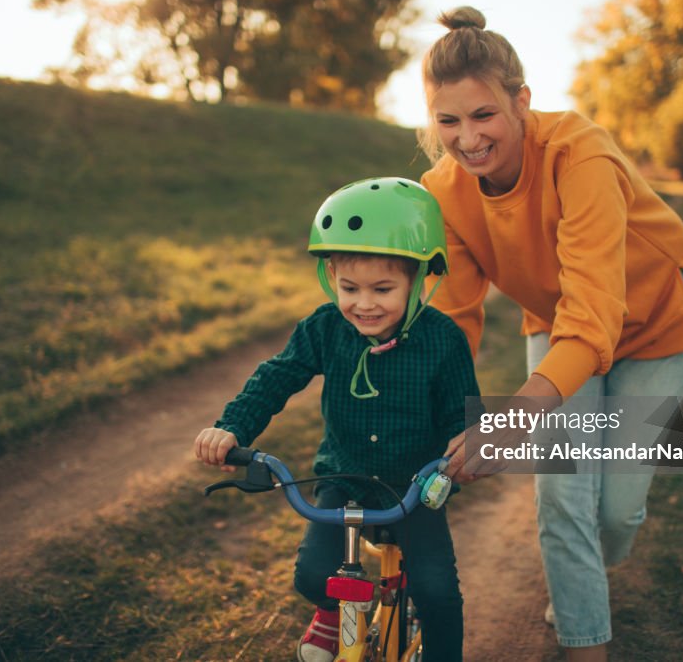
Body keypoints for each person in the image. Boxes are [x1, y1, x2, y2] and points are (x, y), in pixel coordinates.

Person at [417, 6, 683, 661]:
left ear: (521, 101)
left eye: (483, 115)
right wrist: (427, 403)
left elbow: (596, 315)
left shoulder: (578, 151)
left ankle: (586, 580)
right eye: (448, 122)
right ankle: (584, 635)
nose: (467, 139)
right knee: (563, 490)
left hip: (659, 314)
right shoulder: (443, 192)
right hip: (560, 321)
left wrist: (508, 423)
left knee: (616, 512)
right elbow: (456, 321)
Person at [194, 177, 480, 662]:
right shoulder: (326, 328)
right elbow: (277, 376)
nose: (363, 304)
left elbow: (461, 412)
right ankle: (332, 612)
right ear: (331, 278)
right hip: (342, 478)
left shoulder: (443, 340)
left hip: (414, 487)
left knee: (437, 593)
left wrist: (465, 443)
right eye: (349, 288)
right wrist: (233, 426)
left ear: (419, 279)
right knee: (313, 575)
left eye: (382, 289)